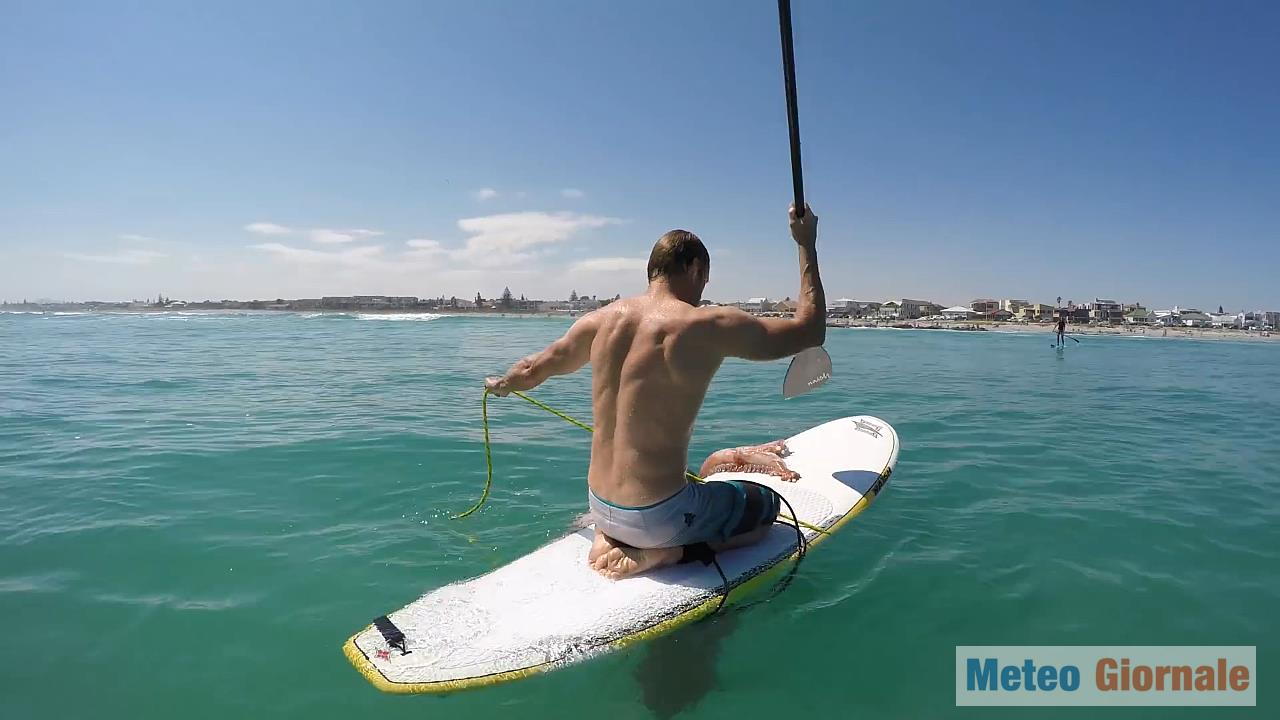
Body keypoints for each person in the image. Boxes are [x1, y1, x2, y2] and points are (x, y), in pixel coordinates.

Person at [485, 203, 825, 580]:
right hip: (658, 518)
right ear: (695, 269)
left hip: (599, 506)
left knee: (686, 483)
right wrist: (805, 243)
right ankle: (669, 553)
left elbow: (532, 369)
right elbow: (809, 331)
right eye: (704, 280)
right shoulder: (705, 324)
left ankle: (609, 534)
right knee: (767, 509)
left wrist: (503, 384)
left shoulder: (599, 321)